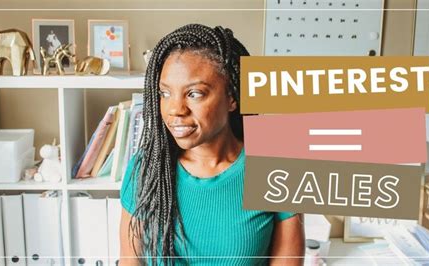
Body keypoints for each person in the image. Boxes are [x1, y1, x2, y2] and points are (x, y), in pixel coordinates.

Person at [119, 24, 305, 265]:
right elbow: (129, 260)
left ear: (232, 97)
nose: (175, 109)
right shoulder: (146, 168)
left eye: (194, 93)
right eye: (165, 93)